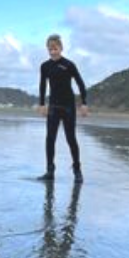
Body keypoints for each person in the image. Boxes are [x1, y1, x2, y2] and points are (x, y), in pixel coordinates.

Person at [37, 33, 89, 182]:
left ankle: (77, 171)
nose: (53, 51)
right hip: (53, 106)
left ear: (61, 48)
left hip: (68, 107)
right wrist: (41, 104)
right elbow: (42, 85)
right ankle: (50, 171)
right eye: (50, 49)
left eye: (55, 48)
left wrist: (84, 103)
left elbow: (80, 83)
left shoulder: (69, 64)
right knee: (50, 139)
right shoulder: (45, 66)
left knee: (71, 138)